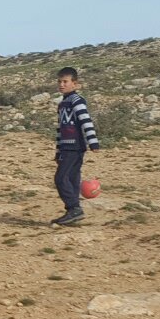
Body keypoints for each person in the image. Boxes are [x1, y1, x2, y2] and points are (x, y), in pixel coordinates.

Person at [51, 66, 101, 227]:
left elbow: (86, 121)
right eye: (59, 81)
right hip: (65, 148)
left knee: (60, 178)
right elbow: (60, 130)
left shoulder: (77, 101)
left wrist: (93, 142)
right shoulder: (62, 104)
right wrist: (58, 151)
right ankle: (74, 212)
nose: (61, 85)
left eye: (65, 81)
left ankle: (73, 208)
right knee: (72, 179)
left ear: (75, 84)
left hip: (76, 147)